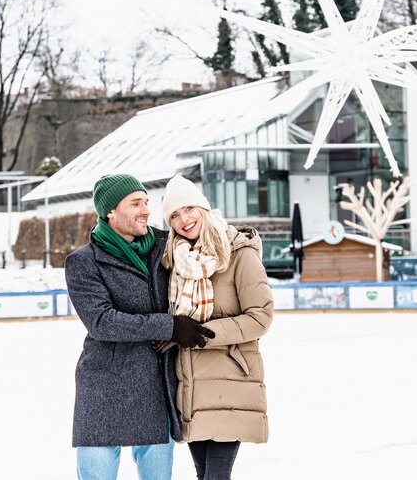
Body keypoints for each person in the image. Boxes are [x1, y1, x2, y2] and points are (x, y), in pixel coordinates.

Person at [65, 173, 216, 480]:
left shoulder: (166, 245)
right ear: (110, 211)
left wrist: (245, 240)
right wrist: (169, 326)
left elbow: (206, 232)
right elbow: (102, 322)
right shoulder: (84, 262)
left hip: (155, 382)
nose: (146, 209)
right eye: (136, 203)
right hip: (103, 384)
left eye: (147, 202)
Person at [160, 174, 273, 480]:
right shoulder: (175, 260)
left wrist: (202, 335)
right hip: (192, 385)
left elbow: (261, 316)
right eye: (174, 215)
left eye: (189, 209)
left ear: (203, 209)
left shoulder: (239, 254)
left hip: (230, 380)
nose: (184, 220)